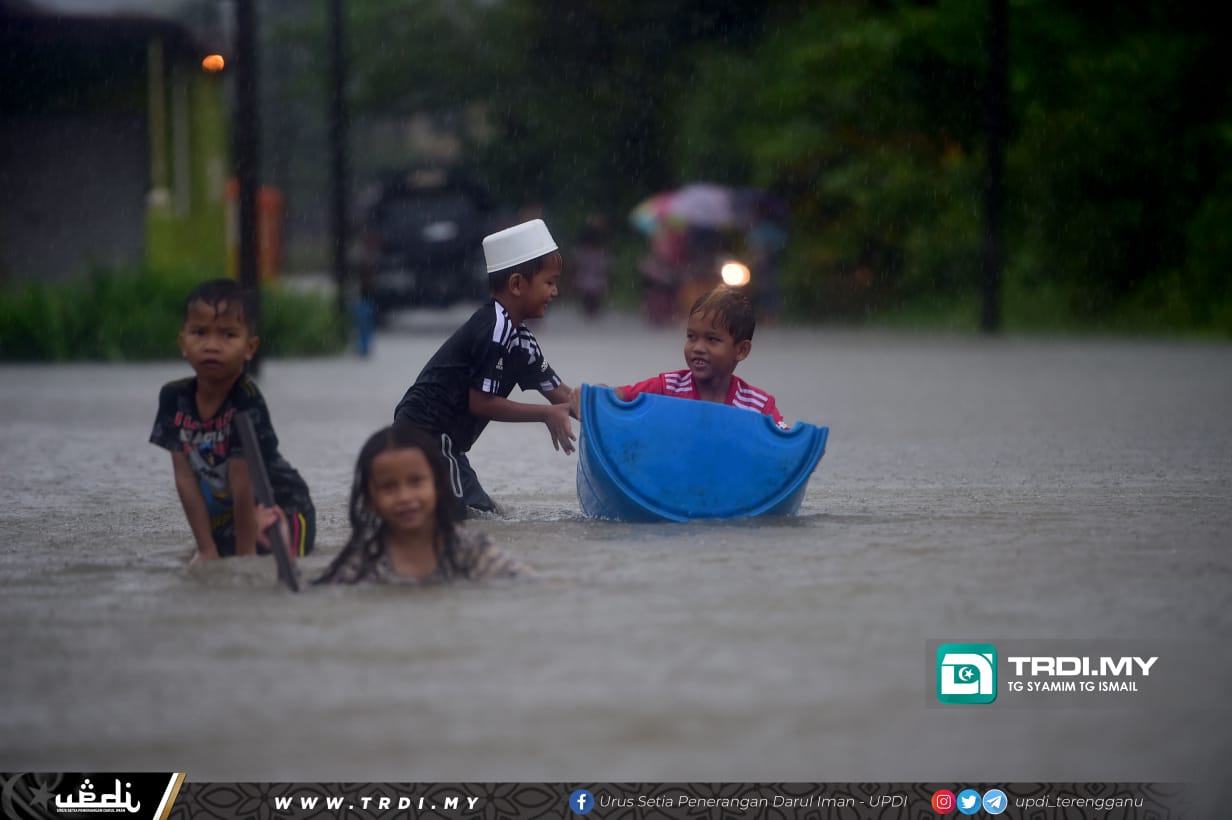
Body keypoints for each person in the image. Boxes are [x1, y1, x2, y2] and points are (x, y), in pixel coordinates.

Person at [393, 218, 578, 514]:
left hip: (446, 444)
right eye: (549, 282)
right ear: (516, 284)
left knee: (488, 514)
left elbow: (565, 398)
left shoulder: (522, 341)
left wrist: (606, 409)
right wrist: (545, 414)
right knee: (470, 516)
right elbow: (481, 402)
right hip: (425, 434)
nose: (555, 292)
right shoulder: (494, 328)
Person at [149, 278, 315, 563]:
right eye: (200, 332)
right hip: (232, 516)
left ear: (250, 348)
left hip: (284, 507)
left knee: (276, 558)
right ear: (183, 343)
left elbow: (243, 482)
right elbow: (185, 478)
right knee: (211, 559)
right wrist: (205, 548)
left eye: (228, 335)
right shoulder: (173, 398)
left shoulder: (246, 400)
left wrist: (244, 559)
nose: (212, 345)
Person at [258, 423, 524, 585]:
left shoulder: (471, 549)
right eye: (389, 487)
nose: (405, 496)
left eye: (416, 481)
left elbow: (526, 586)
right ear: (371, 499)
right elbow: (307, 597)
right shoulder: (364, 560)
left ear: (439, 486)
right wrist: (283, 553)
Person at [601, 285, 788, 428]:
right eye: (691, 337)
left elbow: (787, 444)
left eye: (712, 339)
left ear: (741, 350)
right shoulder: (668, 387)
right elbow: (620, 397)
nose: (697, 347)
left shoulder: (757, 406)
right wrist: (599, 395)